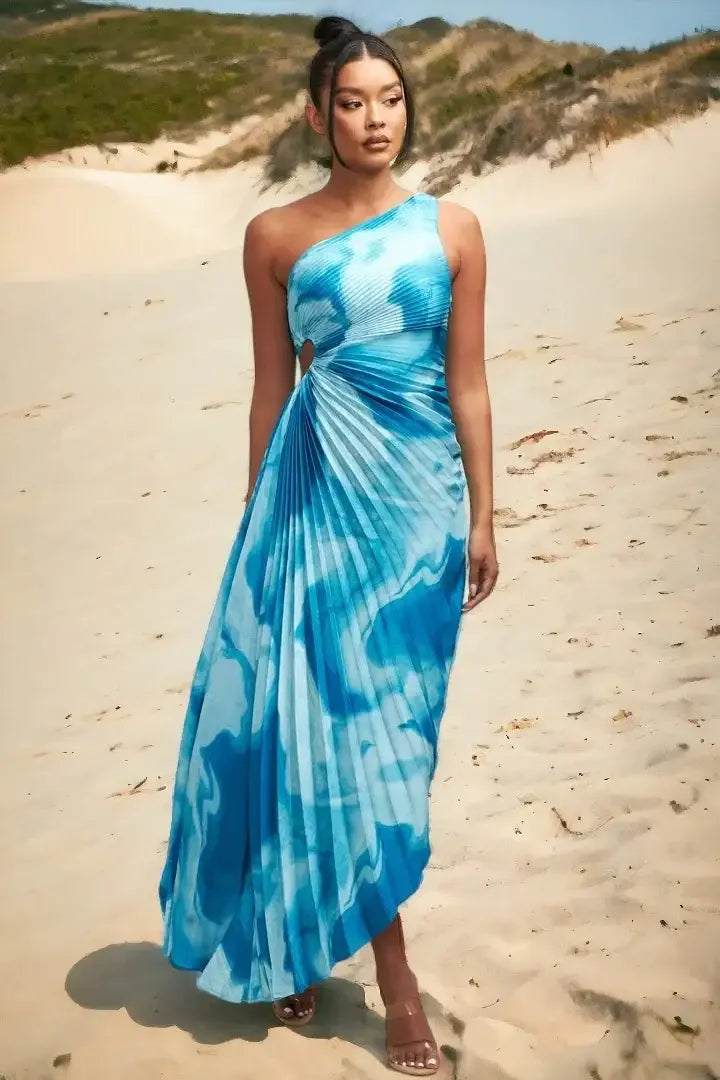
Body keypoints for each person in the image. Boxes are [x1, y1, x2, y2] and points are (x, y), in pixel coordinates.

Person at [159, 14, 497, 1077]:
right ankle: (387, 978)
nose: (374, 118)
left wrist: (485, 513)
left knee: (389, 743)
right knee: (316, 728)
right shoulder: (275, 236)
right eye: (351, 102)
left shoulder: (454, 230)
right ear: (318, 116)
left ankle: (312, 929)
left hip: (415, 518)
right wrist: (258, 521)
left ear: (409, 108)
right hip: (311, 511)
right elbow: (272, 389)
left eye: (389, 99)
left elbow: (470, 385)